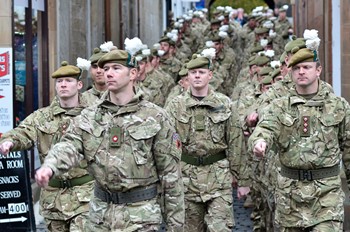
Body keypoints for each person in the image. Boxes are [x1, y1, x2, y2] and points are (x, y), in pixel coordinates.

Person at [35, 48, 185, 231]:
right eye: (106, 69)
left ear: (133, 73)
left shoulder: (156, 117)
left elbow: (170, 176)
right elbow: (68, 145)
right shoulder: (89, 116)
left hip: (141, 216)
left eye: (116, 68)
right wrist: (50, 166)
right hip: (100, 216)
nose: (109, 73)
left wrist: (175, 226)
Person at [248, 45, 350, 231]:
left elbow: (349, 148)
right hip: (290, 198)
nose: (301, 72)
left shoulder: (337, 106)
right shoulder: (279, 106)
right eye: (296, 68)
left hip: (326, 196)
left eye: (306, 67)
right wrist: (259, 142)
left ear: (318, 70)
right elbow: (265, 128)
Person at [0, 61, 93, 231]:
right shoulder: (43, 116)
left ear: (79, 84)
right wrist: (10, 141)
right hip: (53, 198)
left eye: (68, 80)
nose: (63, 84)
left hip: (85, 196)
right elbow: (23, 132)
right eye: (59, 81)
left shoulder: (92, 115)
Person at [165, 54, 250, 231]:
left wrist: (242, 180)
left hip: (218, 178)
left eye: (201, 72)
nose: (197, 76)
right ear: (187, 76)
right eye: (193, 72)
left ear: (210, 75)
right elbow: (167, 143)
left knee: (220, 228)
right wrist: (168, 178)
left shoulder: (224, 104)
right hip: (186, 178)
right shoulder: (175, 106)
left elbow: (236, 142)